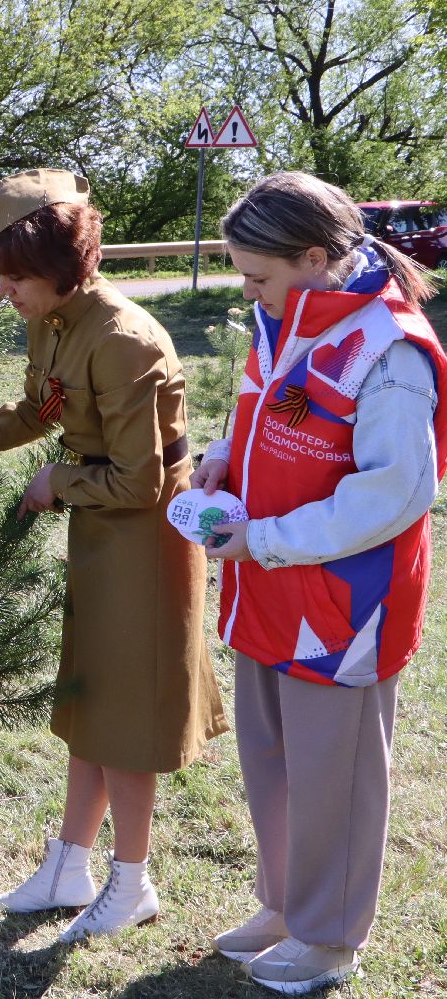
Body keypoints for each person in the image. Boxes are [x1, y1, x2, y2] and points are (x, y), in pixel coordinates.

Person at [0, 169, 226, 941]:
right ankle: (69, 867)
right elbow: (42, 407)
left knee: (125, 716)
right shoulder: (53, 321)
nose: (4, 293)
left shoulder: (122, 341)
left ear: (59, 267)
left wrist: (56, 479)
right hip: (101, 527)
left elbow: (136, 479)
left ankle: (132, 883)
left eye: (14, 277)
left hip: (144, 538)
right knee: (91, 702)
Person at [195, 172, 445, 994]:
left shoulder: (391, 349)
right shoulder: (282, 318)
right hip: (267, 587)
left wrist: (264, 537)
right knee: (272, 758)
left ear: (313, 257)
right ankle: (284, 906)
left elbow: (395, 492)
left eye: (255, 274)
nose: (247, 290)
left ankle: (330, 935)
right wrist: (223, 460)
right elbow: (264, 410)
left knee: (334, 770)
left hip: (344, 607)